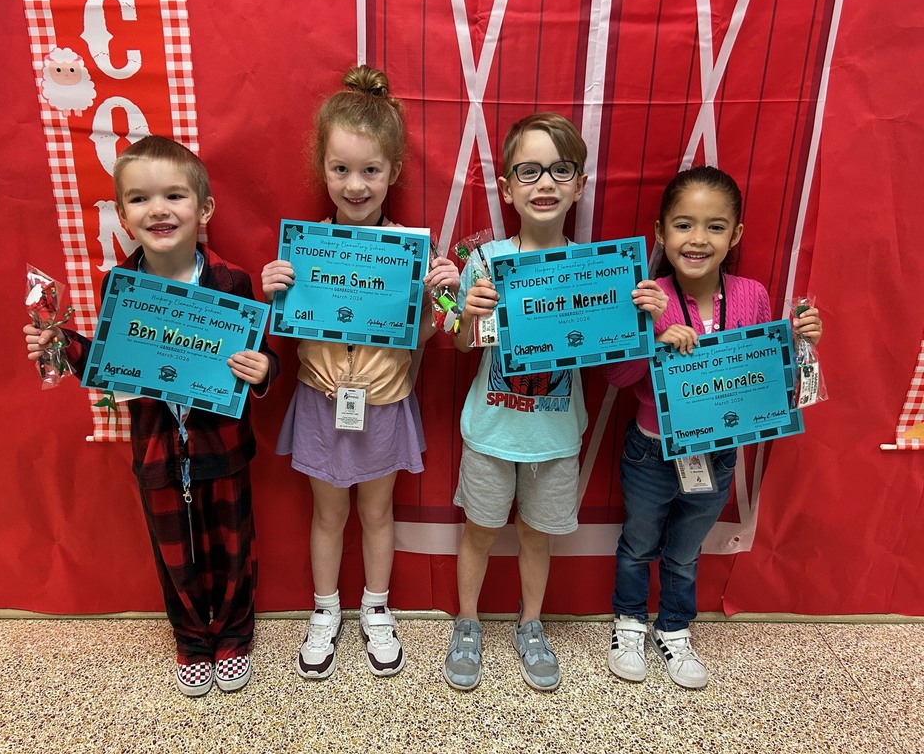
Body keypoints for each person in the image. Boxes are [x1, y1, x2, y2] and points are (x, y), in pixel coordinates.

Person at [23, 135, 279, 697]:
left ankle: (233, 634)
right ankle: (192, 639)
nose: (158, 210)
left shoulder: (233, 282)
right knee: (174, 554)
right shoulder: (120, 287)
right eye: (139, 199)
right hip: (159, 451)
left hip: (223, 448)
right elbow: (112, 361)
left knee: (233, 547)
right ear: (122, 215)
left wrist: (264, 370)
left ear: (204, 209)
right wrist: (60, 344)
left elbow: (259, 357)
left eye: (174, 196)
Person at [261, 65, 459, 680]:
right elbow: (284, 328)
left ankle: (376, 606)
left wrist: (445, 296)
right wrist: (273, 291)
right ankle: (325, 609)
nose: (355, 184)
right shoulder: (304, 249)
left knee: (377, 513)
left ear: (393, 172)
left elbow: (426, 334)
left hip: (384, 401)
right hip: (321, 399)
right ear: (322, 169)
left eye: (370, 170)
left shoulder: (413, 250)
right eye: (341, 169)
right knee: (327, 515)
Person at [603, 165, 823, 689]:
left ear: (735, 234)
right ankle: (628, 622)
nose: (698, 239)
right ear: (660, 232)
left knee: (685, 550)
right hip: (651, 451)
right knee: (638, 543)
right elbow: (618, 377)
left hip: (719, 454)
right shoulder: (648, 295)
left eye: (715, 226)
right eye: (683, 225)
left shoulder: (751, 295)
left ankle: (674, 629)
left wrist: (796, 343)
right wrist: (651, 340)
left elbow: (761, 377)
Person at [443, 113, 590, 692]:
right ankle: (468, 621)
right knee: (479, 531)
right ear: (507, 188)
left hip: (555, 436)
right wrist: (468, 312)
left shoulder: (591, 269)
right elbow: (461, 343)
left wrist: (633, 315)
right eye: (529, 171)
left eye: (560, 170)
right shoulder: (484, 262)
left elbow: (608, 351)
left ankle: (531, 624)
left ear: (579, 185)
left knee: (536, 535)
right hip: (490, 431)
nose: (545, 183)